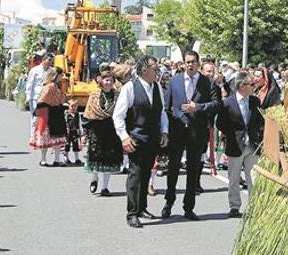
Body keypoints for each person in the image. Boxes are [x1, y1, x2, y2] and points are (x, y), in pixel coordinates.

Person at [162, 50, 219, 220]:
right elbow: (167, 106)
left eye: (193, 61)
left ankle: (189, 207)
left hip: (197, 131)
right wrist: (178, 116)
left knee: (193, 171)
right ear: (183, 63)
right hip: (178, 130)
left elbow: (216, 104)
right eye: (187, 62)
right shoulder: (174, 81)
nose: (190, 64)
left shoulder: (207, 82)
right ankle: (169, 202)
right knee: (173, 169)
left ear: (198, 63)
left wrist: (199, 107)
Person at [113, 55, 169, 228]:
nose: (157, 71)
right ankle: (131, 213)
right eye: (155, 68)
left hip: (152, 138)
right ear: (144, 69)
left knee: (146, 174)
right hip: (136, 138)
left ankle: (142, 207)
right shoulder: (130, 87)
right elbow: (118, 115)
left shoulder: (157, 87)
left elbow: (162, 113)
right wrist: (124, 137)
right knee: (135, 175)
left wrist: (164, 132)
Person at [216, 71, 265, 218]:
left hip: (252, 146)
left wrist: (258, 136)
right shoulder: (227, 103)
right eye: (251, 84)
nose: (253, 86)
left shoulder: (255, 101)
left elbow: (260, 122)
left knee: (253, 178)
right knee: (234, 178)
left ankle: (255, 206)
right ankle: (234, 206)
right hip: (235, 146)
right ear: (242, 86)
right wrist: (231, 135)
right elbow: (220, 123)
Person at [83, 70, 123, 197]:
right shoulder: (94, 94)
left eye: (111, 80)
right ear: (101, 81)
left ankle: (105, 187)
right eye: (107, 80)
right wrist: (86, 132)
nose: (109, 83)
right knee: (96, 156)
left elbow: (122, 111)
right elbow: (88, 113)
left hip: (111, 128)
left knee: (109, 158)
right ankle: (95, 178)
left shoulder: (118, 95)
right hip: (96, 128)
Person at [29, 67, 68, 166]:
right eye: (60, 75)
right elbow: (43, 100)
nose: (62, 77)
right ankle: (45, 159)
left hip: (55, 112)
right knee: (47, 136)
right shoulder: (50, 86)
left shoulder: (55, 85)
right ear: (56, 75)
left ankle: (55, 159)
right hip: (49, 113)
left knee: (57, 137)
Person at [25, 53, 53, 130]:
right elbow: (30, 84)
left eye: (52, 61)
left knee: (45, 119)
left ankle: (41, 138)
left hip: (46, 98)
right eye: (49, 60)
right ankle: (33, 138)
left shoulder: (52, 71)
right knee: (35, 119)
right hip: (35, 97)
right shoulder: (35, 70)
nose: (50, 62)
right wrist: (28, 97)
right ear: (43, 60)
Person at [64, 97, 83, 165]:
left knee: (76, 145)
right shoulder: (66, 114)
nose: (73, 108)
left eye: (75, 106)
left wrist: (80, 130)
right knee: (67, 145)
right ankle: (66, 158)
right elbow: (65, 122)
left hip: (75, 132)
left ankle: (77, 158)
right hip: (68, 132)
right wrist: (65, 129)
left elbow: (79, 123)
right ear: (68, 106)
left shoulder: (78, 114)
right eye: (72, 106)